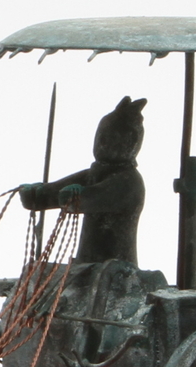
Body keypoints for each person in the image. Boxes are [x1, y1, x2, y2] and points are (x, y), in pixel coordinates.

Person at [17, 95, 147, 265]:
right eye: (101, 137)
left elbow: (94, 197)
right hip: (84, 263)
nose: (103, 144)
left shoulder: (128, 183)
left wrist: (77, 197)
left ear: (132, 142)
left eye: (112, 138)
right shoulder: (95, 172)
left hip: (114, 267)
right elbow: (57, 191)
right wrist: (38, 195)